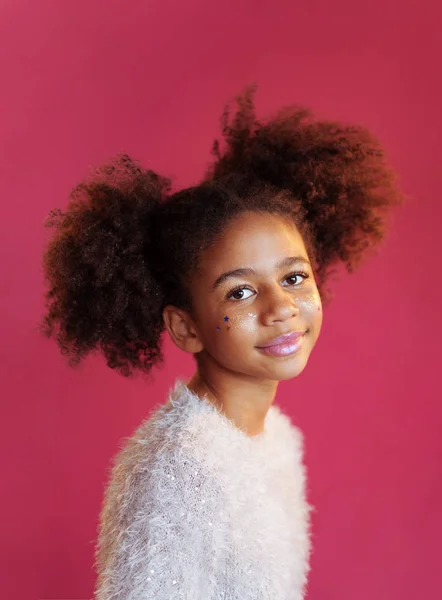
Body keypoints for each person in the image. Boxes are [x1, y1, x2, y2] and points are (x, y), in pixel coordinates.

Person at [39, 87, 407, 599]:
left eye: (295, 277)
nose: (280, 307)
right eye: (240, 291)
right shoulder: (180, 467)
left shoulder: (275, 439)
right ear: (185, 327)